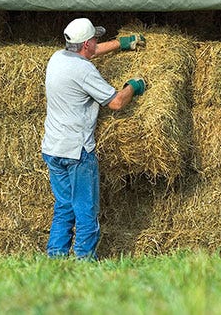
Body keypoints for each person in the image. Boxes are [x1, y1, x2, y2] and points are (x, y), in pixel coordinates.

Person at [41, 17, 146, 259]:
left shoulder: (57, 58)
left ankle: (55, 258)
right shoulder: (84, 70)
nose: (97, 42)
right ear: (86, 43)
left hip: (52, 148)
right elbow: (116, 103)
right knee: (86, 209)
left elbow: (92, 51)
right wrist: (133, 86)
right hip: (77, 152)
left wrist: (121, 43)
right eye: (95, 38)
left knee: (64, 207)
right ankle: (85, 261)